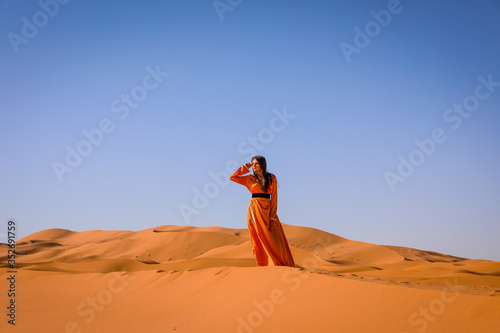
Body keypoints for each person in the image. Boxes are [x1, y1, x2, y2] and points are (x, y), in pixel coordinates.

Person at [229, 156, 295, 267]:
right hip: (254, 209)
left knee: (273, 237)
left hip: (267, 209)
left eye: (256, 164)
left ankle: (279, 262)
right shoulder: (249, 178)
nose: (253, 166)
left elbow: (274, 196)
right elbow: (233, 177)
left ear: (262, 165)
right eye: (252, 164)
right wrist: (244, 168)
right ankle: (261, 263)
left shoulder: (271, 178)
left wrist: (272, 214)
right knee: (256, 236)